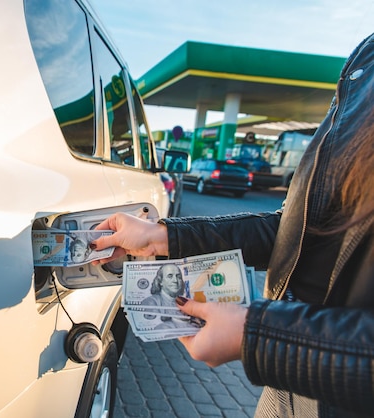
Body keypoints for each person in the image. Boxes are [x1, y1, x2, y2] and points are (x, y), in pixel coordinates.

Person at [90, 33, 374, 417]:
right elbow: (298, 230)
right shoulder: (366, 64)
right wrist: (163, 236)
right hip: (288, 395)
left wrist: (259, 336)